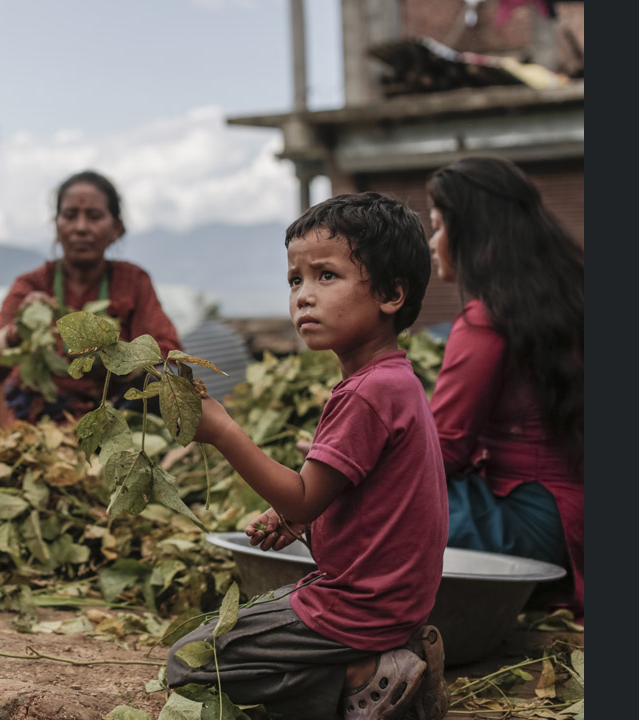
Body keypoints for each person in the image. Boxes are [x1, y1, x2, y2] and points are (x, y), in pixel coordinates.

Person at [166, 193, 449, 720]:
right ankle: (382, 665)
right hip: (394, 603)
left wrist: (224, 431)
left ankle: (364, 678)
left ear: (390, 294)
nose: (303, 297)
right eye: (295, 280)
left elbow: (304, 492)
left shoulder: (365, 393)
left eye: (326, 276)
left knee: (187, 663)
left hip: (358, 608)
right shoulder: (394, 380)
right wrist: (297, 518)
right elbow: (346, 502)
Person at [426, 156, 584, 621]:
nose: (433, 244)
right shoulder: (570, 299)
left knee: (369, 504)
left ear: (470, 233)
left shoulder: (486, 319)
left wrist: (351, 461)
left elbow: (443, 453)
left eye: (437, 227)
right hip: (574, 518)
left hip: (534, 523)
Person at [0, 170, 182, 423]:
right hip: (40, 424)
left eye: (94, 217)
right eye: (70, 216)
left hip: (115, 423)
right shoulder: (31, 286)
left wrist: (122, 363)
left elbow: (169, 355)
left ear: (116, 229)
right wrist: (18, 330)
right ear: (57, 227)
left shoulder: (132, 282)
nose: (81, 227)